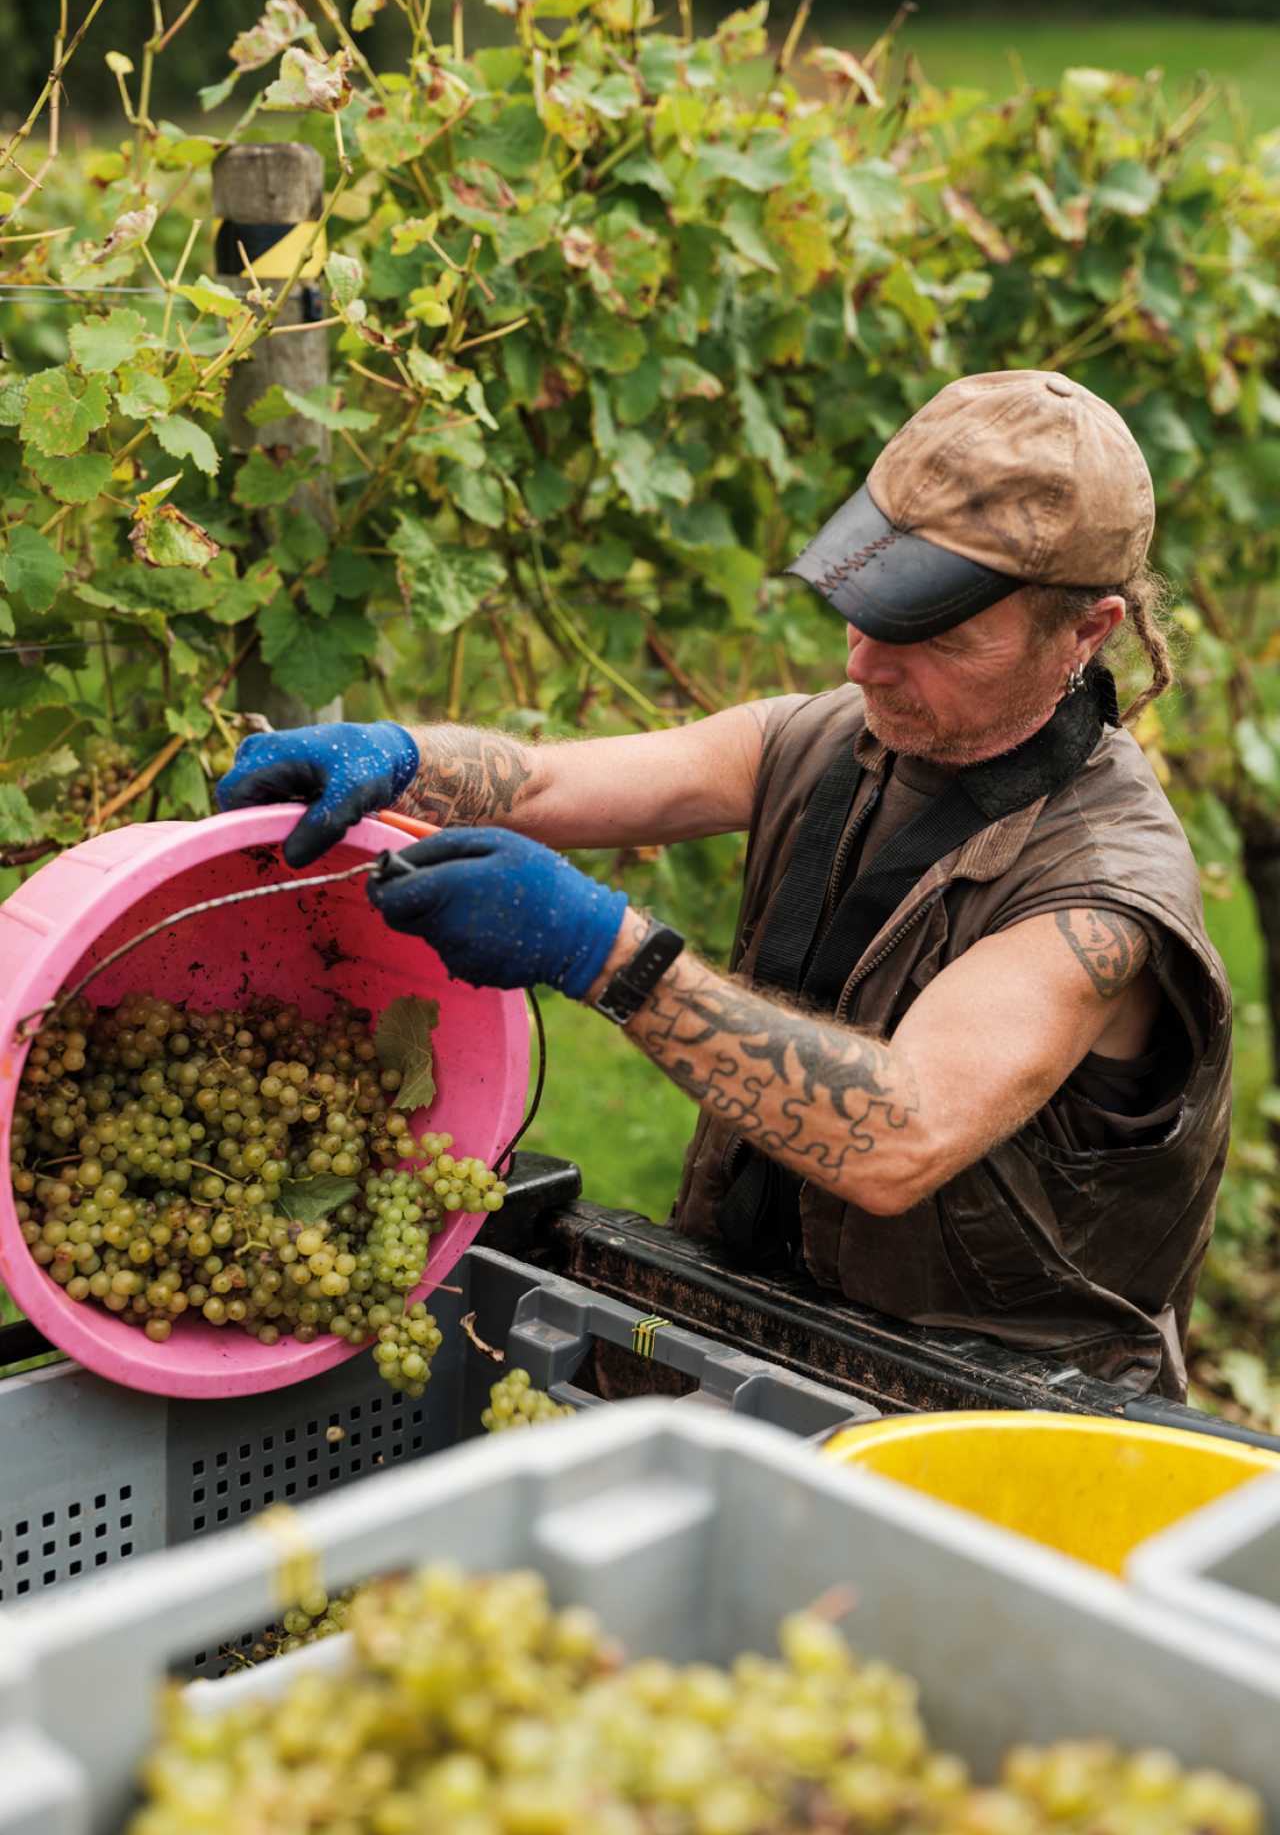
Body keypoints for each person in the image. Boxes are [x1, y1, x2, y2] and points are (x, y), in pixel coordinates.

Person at [218, 370, 1231, 1401]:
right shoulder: (836, 740)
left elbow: (901, 1134)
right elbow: (550, 782)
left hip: (990, 1418)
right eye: (863, 611)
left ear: (1086, 631)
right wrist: (396, 758)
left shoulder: (1102, 886)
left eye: (934, 637)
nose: (863, 666)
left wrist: (607, 953)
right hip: (753, 1340)